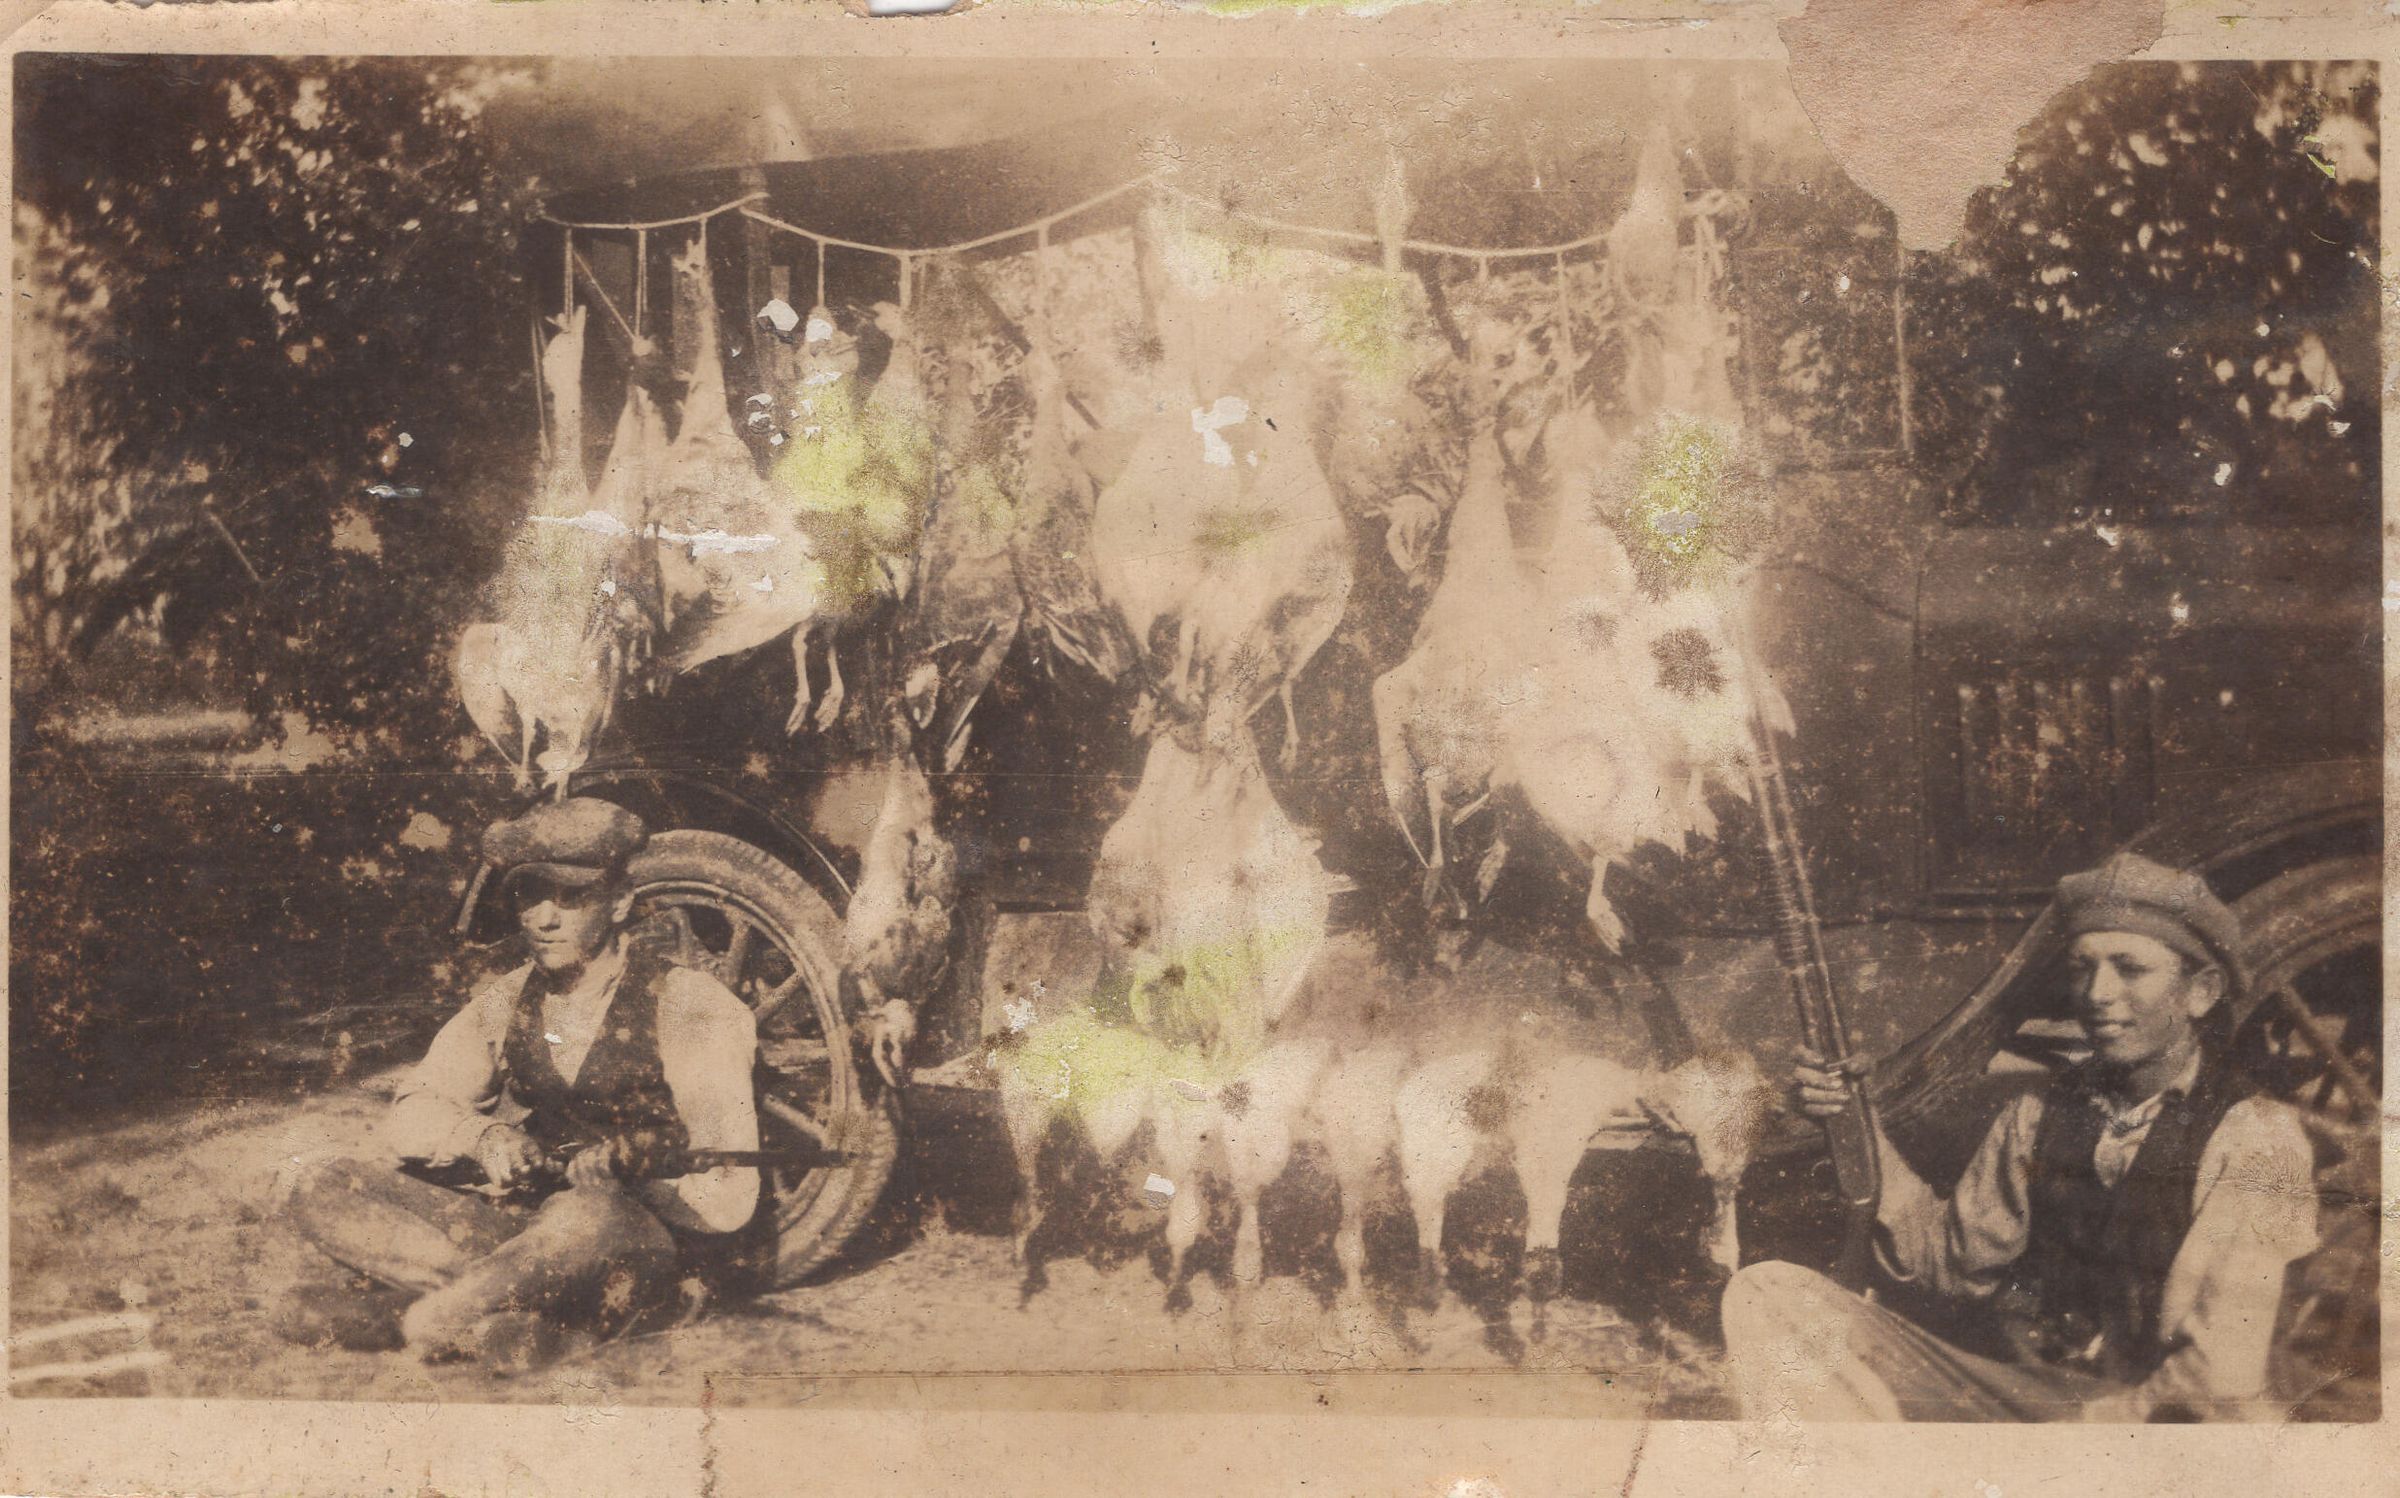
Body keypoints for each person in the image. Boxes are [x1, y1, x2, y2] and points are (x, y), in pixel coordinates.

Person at [1721, 852, 2320, 1422]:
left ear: (2201, 991)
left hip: (2156, 1428)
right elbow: (1946, 1261)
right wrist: (1851, 1119)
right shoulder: (2039, 1113)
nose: (2098, 994)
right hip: (2029, 1398)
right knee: (1769, 1294)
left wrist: (2069, 1442)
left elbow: (2214, 1378)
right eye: (2083, 968)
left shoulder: (2257, 1139)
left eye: (2130, 968)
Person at [279, 799, 763, 1372]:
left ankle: (425, 1319)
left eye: (571, 897)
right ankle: (507, 1315)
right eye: (529, 896)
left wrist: (628, 1173)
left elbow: (730, 1193)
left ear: (619, 903)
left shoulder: (689, 1004)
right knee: (322, 1184)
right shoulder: (507, 1000)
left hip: (629, 1239)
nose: (542, 919)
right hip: (527, 1239)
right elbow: (413, 1109)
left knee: (588, 1218)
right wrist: (484, 1138)